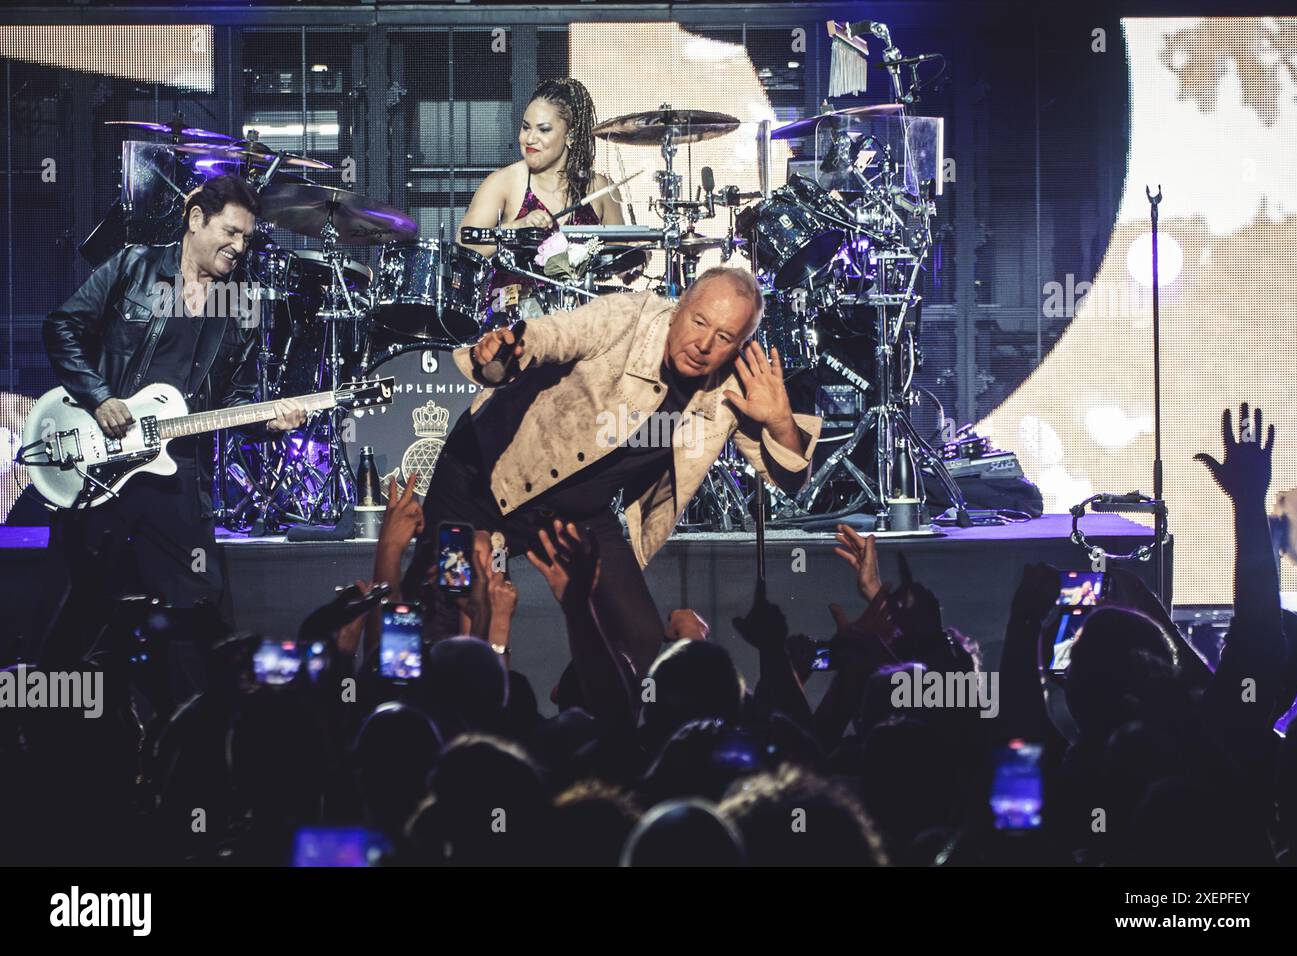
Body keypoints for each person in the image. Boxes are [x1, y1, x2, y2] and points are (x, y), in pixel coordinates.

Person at [382, 266, 821, 676]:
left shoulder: (733, 387)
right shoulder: (628, 318)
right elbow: (555, 335)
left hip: (574, 515)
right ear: (679, 306)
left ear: (741, 343)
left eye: (724, 336)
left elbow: (789, 478)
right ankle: (405, 720)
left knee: (644, 645)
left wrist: (780, 421)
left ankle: (630, 743)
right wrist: (511, 347)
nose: (704, 344)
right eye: (699, 322)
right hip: (481, 481)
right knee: (439, 613)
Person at [42, 174, 306, 620]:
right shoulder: (134, 267)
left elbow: (236, 403)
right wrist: (100, 397)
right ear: (197, 219)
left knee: (201, 607)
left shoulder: (241, 304)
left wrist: (268, 422)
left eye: (246, 237)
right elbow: (60, 327)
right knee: (86, 611)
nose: (240, 247)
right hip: (104, 465)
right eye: (231, 232)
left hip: (179, 475)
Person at [459, 78, 626, 327]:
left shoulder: (599, 188)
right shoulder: (504, 182)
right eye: (526, 127)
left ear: (569, 134)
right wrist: (515, 229)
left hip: (579, 323)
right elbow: (463, 250)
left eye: (543, 129)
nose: (529, 138)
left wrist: (632, 263)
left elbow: (623, 255)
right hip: (510, 323)